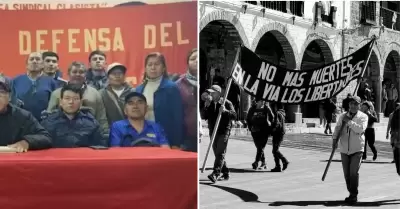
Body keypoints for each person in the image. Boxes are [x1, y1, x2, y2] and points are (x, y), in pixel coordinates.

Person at [46, 62, 109, 144]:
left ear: (85, 74)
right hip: (61, 136)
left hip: (89, 135)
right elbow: (49, 115)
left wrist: (105, 135)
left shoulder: (94, 93)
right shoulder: (57, 93)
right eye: (74, 72)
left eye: (81, 72)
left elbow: (101, 116)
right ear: (68, 73)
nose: (78, 74)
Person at [135, 52, 184, 149]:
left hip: (165, 138)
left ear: (163, 68)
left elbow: (177, 117)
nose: (153, 67)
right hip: (142, 137)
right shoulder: (139, 89)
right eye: (150, 64)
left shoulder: (171, 88)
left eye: (157, 64)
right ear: (145, 68)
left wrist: (176, 143)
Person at [332, 96, 368, 204]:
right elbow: (337, 128)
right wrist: (334, 140)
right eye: (351, 104)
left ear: (359, 105)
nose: (353, 106)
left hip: (357, 149)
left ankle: (353, 195)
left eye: (356, 104)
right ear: (349, 105)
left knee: (353, 173)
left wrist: (349, 122)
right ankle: (351, 192)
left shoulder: (363, 117)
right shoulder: (343, 116)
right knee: (347, 175)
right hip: (344, 148)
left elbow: (360, 129)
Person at [0, 78, 52, 152]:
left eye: (1, 92)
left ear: (10, 97)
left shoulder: (22, 116)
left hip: (13, 160)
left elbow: (45, 137)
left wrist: (27, 142)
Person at [202, 85, 236, 183]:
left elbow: (234, 115)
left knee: (220, 152)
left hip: (224, 131)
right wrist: (206, 107)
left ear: (218, 93)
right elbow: (204, 116)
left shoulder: (227, 102)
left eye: (213, 92)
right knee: (218, 153)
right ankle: (225, 172)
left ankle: (215, 173)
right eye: (210, 92)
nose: (210, 94)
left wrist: (225, 111)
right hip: (213, 131)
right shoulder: (210, 103)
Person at [12, 52, 57, 121]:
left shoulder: (51, 82)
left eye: (38, 59)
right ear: (27, 64)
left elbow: (55, 105)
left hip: (44, 123)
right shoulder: (16, 80)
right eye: (31, 59)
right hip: (21, 122)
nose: (34, 61)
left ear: (42, 65)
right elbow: (10, 101)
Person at [176, 48, 198, 152]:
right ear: (187, 63)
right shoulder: (178, 85)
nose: (197, 61)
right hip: (186, 138)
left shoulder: (210, 85)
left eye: (199, 58)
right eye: (193, 58)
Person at [99, 63, 134, 127]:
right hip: (111, 131)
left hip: (132, 130)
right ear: (108, 76)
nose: (117, 76)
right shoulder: (101, 94)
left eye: (120, 73)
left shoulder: (133, 92)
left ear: (124, 76)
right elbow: (101, 117)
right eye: (114, 74)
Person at [246, 100, 274, 170]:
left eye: (263, 101)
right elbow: (248, 119)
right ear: (257, 101)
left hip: (265, 131)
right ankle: (263, 163)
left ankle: (256, 162)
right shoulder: (252, 109)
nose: (262, 102)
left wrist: (271, 127)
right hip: (255, 131)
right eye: (261, 101)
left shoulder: (266, 108)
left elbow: (272, 118)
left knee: (261, 147)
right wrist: (250, 127)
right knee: (259, 147)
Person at [270, 102, 289, 172]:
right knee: (274, 150)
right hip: (280, 133)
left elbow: (277, 123)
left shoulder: (277, 113)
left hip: (277, 133)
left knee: (275, 150)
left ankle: (284, 161)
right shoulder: (282, 113)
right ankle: (277, 166)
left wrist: (272, 130)